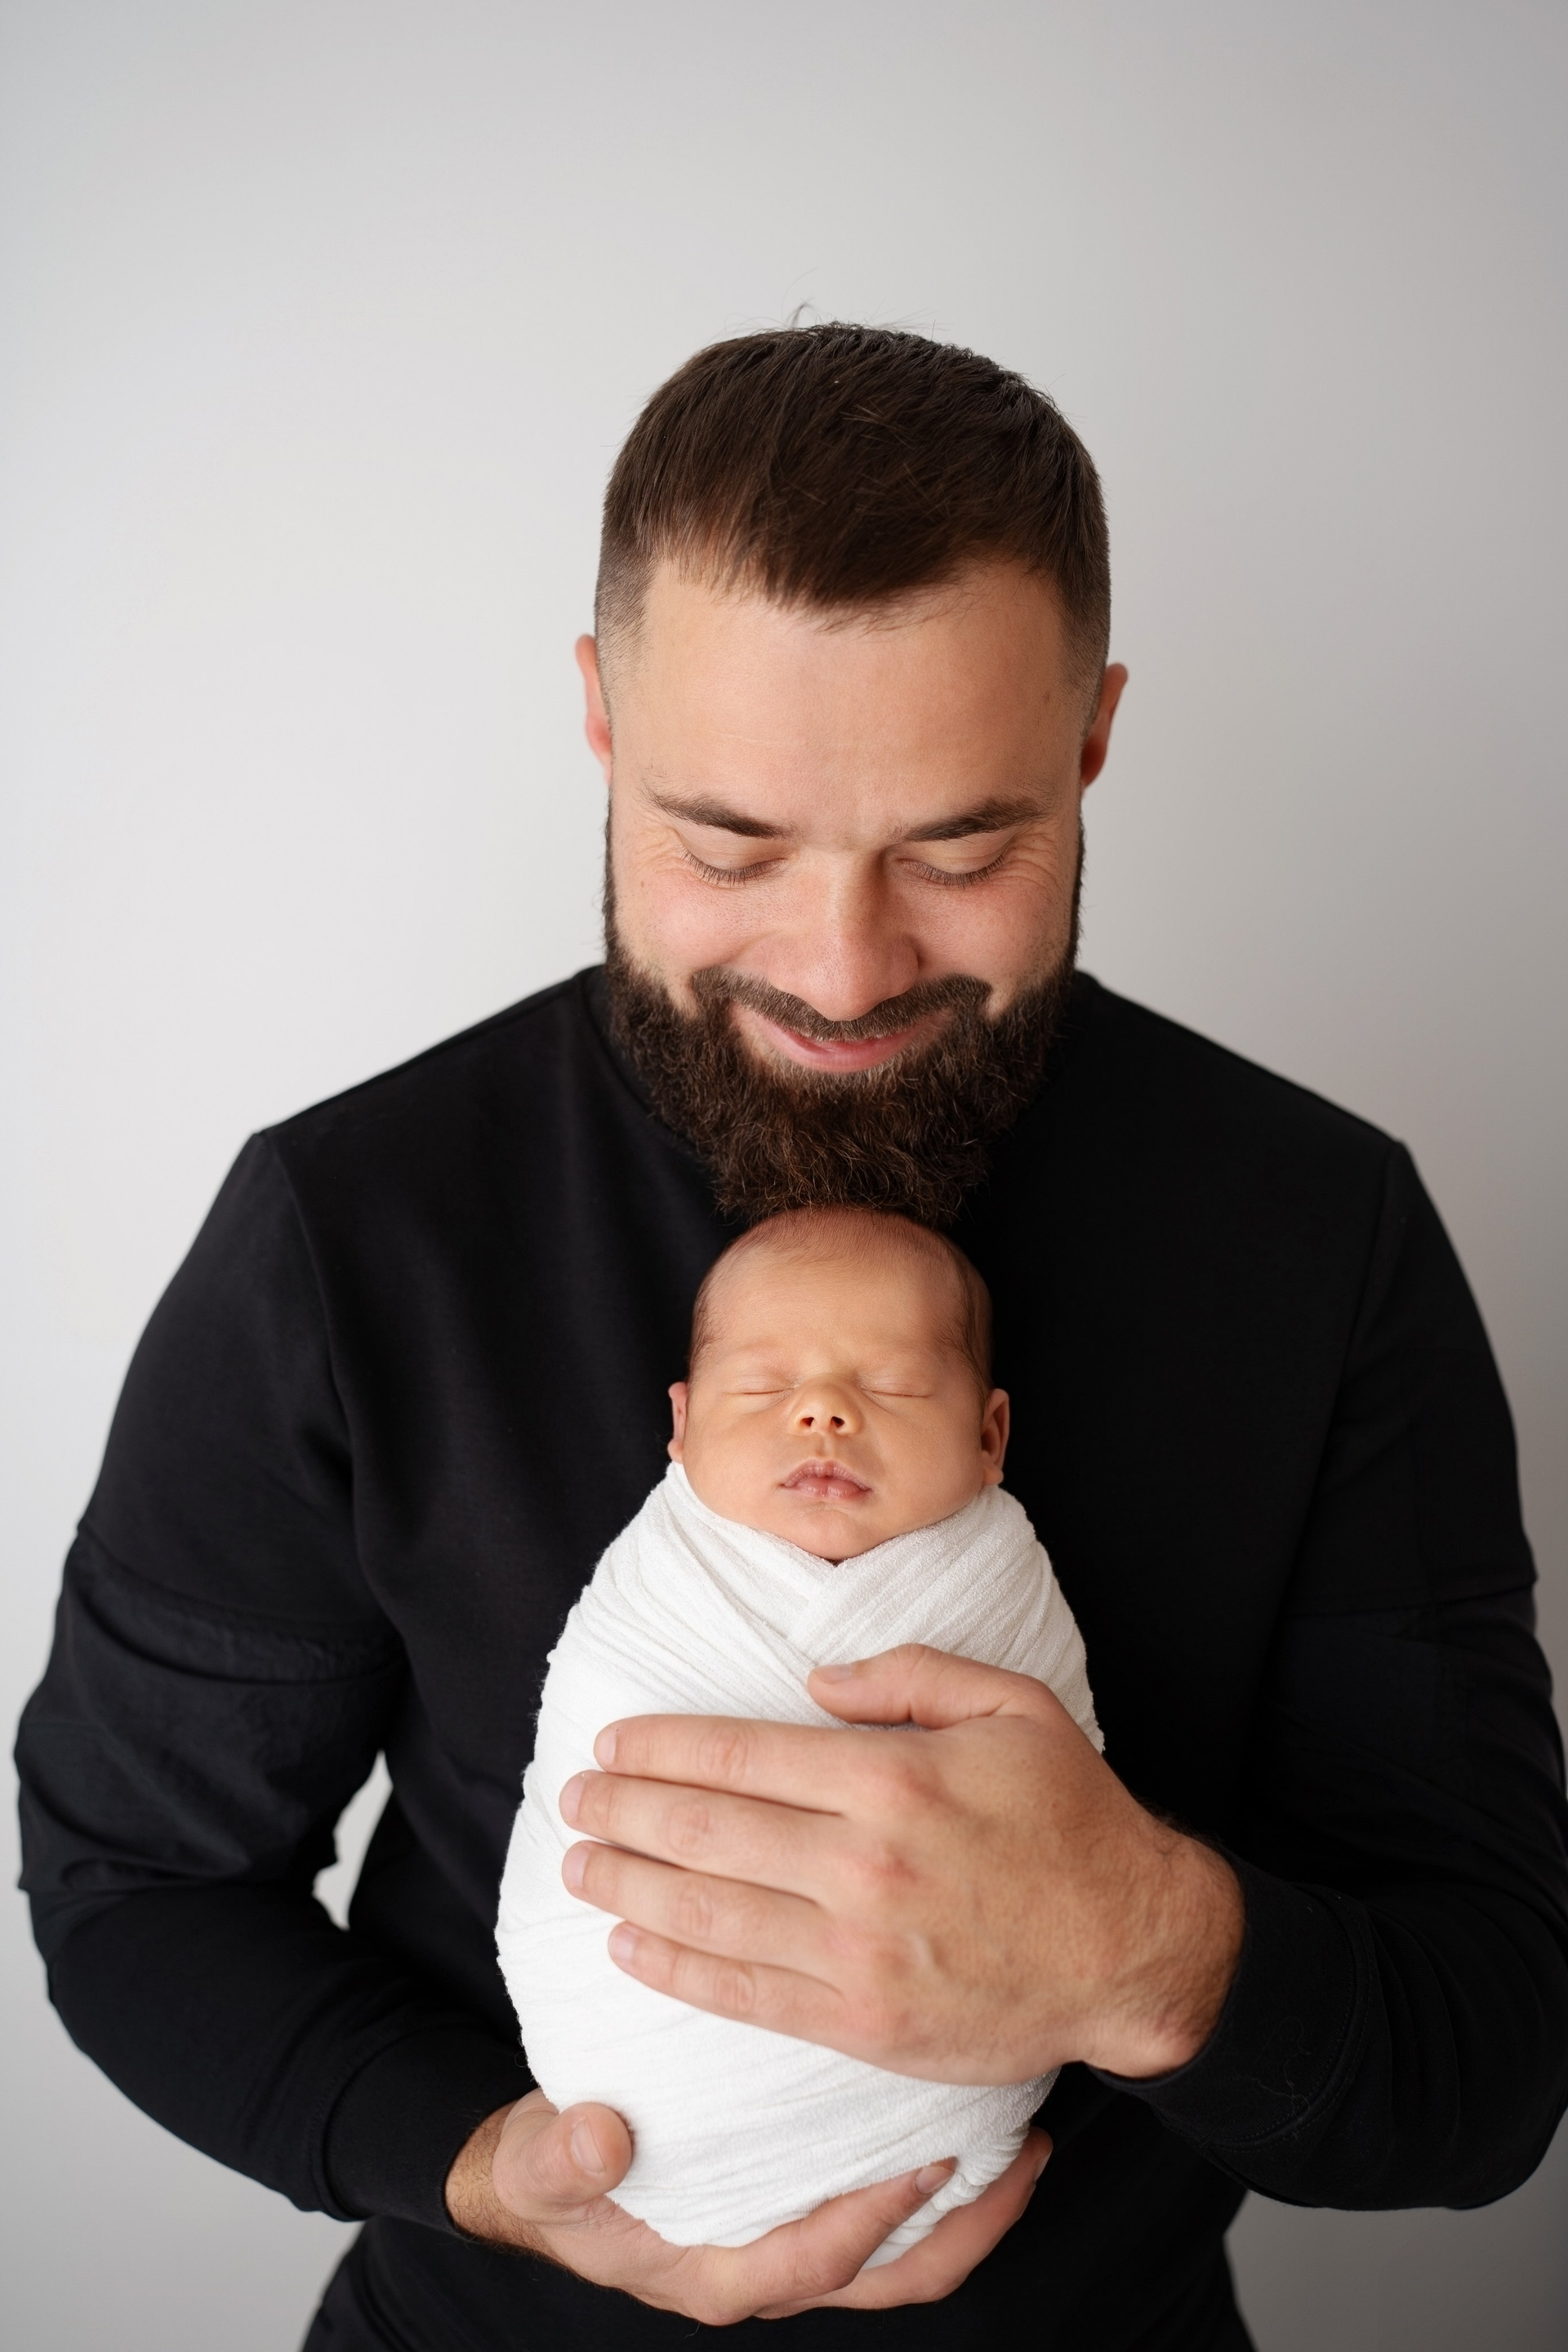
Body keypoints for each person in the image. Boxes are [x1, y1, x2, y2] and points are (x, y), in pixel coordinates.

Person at [16, 324, 1568, 2352]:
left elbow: (1494, 2050)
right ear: (600, 717)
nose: (842, 971)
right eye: (731, 844)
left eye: (962, 849)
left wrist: (1150, 1950)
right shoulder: (351, 1231)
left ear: (1095, 735)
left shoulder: (1320, 1235)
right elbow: (136, 1888)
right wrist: (485, 2169)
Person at [496, 1208, 1099, 2269]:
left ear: (989, 1436)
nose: (823, 1411)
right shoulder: (654, 1589)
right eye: (763, 1388)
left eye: (895, 1386)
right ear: (682, 1424)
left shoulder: (1002, 1591)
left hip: (1019, 2222)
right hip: (624, 2111)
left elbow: (1065, 1823)